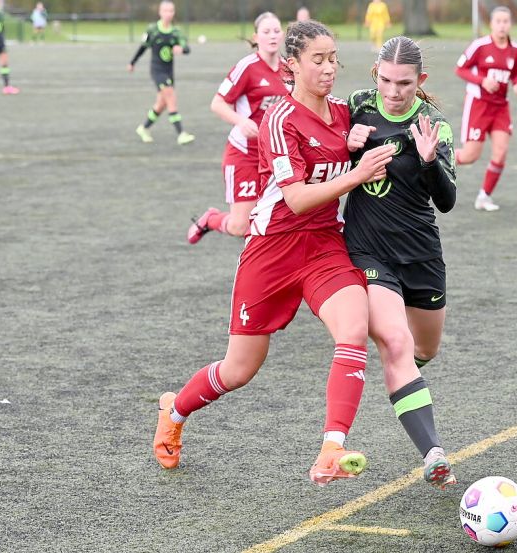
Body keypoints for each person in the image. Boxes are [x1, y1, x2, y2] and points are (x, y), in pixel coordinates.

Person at [153, 20, 396, 486]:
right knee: (239, 369)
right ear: (292, 65)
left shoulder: (345, 113)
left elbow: (391, 111)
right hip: (272, 252)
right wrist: (355, 172)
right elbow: (297, 198)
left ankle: (331, 449)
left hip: (324, 245)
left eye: (333, 59)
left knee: (353, 331)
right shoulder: (278, 119)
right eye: (318, 60)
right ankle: (175, 411)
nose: (329, 69)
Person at [345, 36, 457, 489]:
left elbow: (447, 201)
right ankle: (433, 454)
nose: (393, 91)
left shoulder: (434, 125)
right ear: (376, 74)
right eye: (387, 80)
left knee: (423, 349)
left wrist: (430, 162)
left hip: (421, 253)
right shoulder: (355, 105)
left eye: (404, 83)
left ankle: (403, 379)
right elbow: (320, 148)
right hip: (368, 251)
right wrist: (345, 143)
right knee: (394, 343)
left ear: (420, 81)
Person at [187, 12, 290, 245]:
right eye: (266, 32)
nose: (272, 36)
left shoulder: (289, 70)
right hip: (245, 155)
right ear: (256, 37)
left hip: (276, 157)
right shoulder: (247, 67)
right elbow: (217, 103)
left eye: (276, 31)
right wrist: (241, 121)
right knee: (239, 226)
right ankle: (211, 219)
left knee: (278, 221)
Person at [454, 6, 517, 212]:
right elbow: (460, 69)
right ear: (491, 24)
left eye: (506, 21)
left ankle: (484, 196)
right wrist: (482, 80)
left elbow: (516, 74)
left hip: (501, 107)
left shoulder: (515, 50)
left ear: (510, 24)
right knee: (469, 156)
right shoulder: (480, 46)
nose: (502, 26)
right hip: (479, 105)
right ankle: (435, 158)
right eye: (498, 21)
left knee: (500, 154)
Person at [128, 1, 195, 146]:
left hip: (169, 71)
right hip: (157, 70)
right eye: (165, 11)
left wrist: (181, 49)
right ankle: (181, 133)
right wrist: (132, 62)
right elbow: (142, 47)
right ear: (160, 12)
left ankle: (143, 128)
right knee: (171, 97)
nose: (168, 14)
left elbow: (187, 48)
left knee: (161, 104)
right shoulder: (152, 30)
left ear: (173, 13)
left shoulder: (176, 32)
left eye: (171, 11)